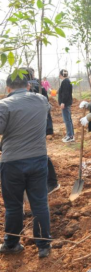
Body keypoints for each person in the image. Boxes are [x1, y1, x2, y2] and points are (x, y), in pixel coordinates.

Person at [0, 73, 52, 257]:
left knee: (14, 206)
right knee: (39, 203)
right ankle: (44, 245)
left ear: (8, 88)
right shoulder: (41, 100)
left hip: (12, 162)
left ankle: (12, 243)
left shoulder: (4, 105)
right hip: (38, 159)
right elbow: (47, 110)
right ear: (28, 86)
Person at [22, 68, 59, 193]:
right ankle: (46, 182)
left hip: (35, 126)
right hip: (39, 124)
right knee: (38, 152)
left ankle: (51, 182)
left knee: (39, 154)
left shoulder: (33, 88)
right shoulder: (38, 86)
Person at [58, 69, 74, 143]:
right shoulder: (67, 81)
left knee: (67, 120)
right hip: (67, 103)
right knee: (68, 119)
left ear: (61, 75)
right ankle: (70, 134)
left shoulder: (65, 82)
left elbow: (66, 93)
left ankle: (70, 136)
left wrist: (63, 102)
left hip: (66, 103)